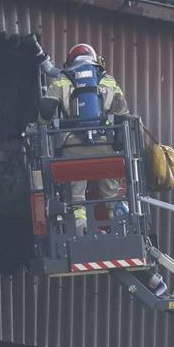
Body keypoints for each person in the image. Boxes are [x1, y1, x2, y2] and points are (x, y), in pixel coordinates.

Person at [41, 42, 130, 235]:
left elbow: (46, 108)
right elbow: (123, 113)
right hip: (104, 148)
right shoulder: (108, 80)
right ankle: (121, 228)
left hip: (73, 149)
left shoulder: (62, 79)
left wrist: (40, 126)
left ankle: (80, 233)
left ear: (70, 60)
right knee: (112, 194)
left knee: (76, 195)